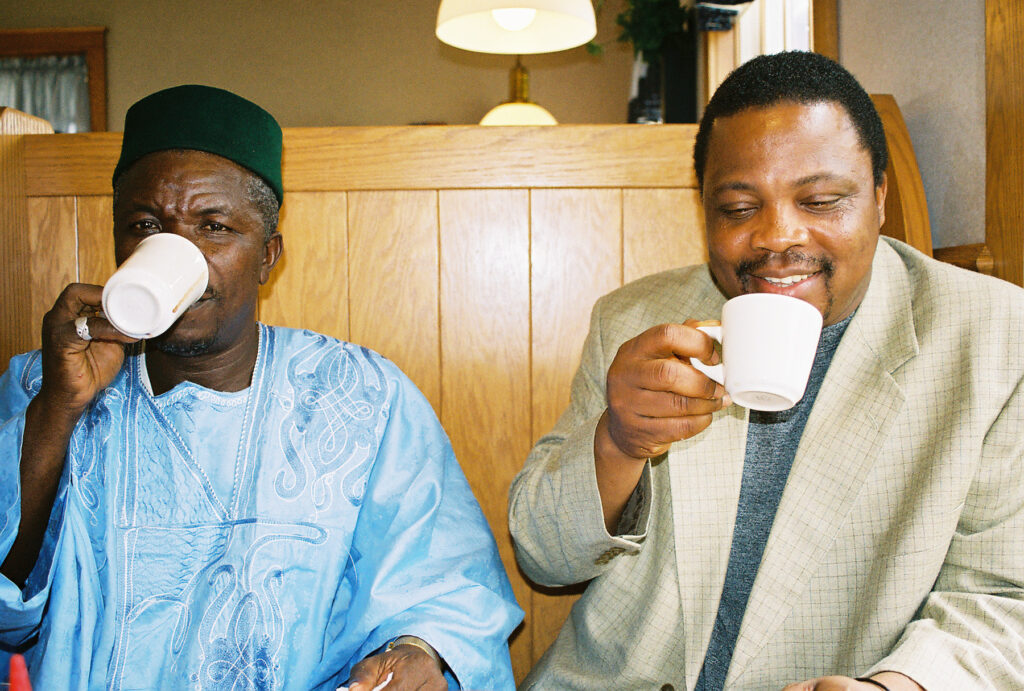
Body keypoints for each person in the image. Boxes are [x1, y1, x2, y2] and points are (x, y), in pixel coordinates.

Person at [509, 51, 1024, 691]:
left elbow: (1007, 596)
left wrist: (900, 686)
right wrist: (618, 442)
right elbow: (542, 556)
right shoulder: (635, 321)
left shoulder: (996, 338)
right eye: (738, 209)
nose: (777, 237)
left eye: (822, 200)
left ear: (880, 196)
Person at [0, 84, 522, 690]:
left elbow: (446, 587)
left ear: (268, 255)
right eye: (146, 225)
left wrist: (418, 651)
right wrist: (57, 411)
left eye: (214, 227)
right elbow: (8, 618)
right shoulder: (44, 382)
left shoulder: (359, 397)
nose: (177, 252)